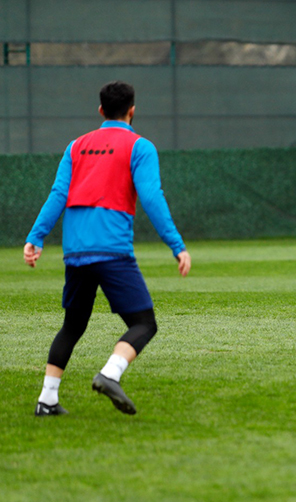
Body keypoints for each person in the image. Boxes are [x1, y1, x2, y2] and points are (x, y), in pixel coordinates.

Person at [25, 81, 191, 416]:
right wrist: (176, 245)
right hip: (112, 250)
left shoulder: (77, 146)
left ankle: (47, 400)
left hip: (75, 251)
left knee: (73, 325)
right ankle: (109, 374)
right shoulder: (140, 147)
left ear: (101, 110)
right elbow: (151, 197)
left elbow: (58, 194)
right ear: (132, 110)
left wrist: (36, 237)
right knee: (144, 323)